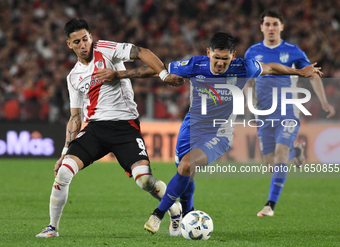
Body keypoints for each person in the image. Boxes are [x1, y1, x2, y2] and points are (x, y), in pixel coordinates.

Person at [105, 32, 322, 234]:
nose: (219, 64)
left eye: (225, 59)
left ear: (233, 56)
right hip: (191, 127)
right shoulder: (194, 64)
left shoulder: (244, 67)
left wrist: (299, 71)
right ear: (208, 52)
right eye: (216, 58)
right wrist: (120, 74)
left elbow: (272, 68)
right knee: (184, 173)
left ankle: (158, 214)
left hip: (220, 131)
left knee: (187, 166)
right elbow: (158, 68)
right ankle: (188, 213)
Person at [36, 18, 184, 238]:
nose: (83, 45)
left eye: (85, 39)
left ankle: (174, 208)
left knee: (144, 180)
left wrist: (162, 75)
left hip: (125, 128)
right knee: (64, 172)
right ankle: (52, 227)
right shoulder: (73, 77)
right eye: (77, 42)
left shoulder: (106, 50)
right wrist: (64, 152)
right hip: (95, 129)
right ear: (69, 45)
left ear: (91, 37)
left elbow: (142, 52)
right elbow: (76, 117)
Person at [244, 10, 335, 217]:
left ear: (281, 27)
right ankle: (298, 153)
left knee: (280, 154)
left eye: (275, 24)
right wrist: (248, 101)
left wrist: (324, 102)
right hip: (264, 114)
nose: (271, 28)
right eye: (267, 24)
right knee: (271, 164)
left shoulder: (292, 51)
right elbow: (248, 81)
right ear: (261, 27)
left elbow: (312, 74)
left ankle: (270, 205)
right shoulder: (252, 52)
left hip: (288, 110)